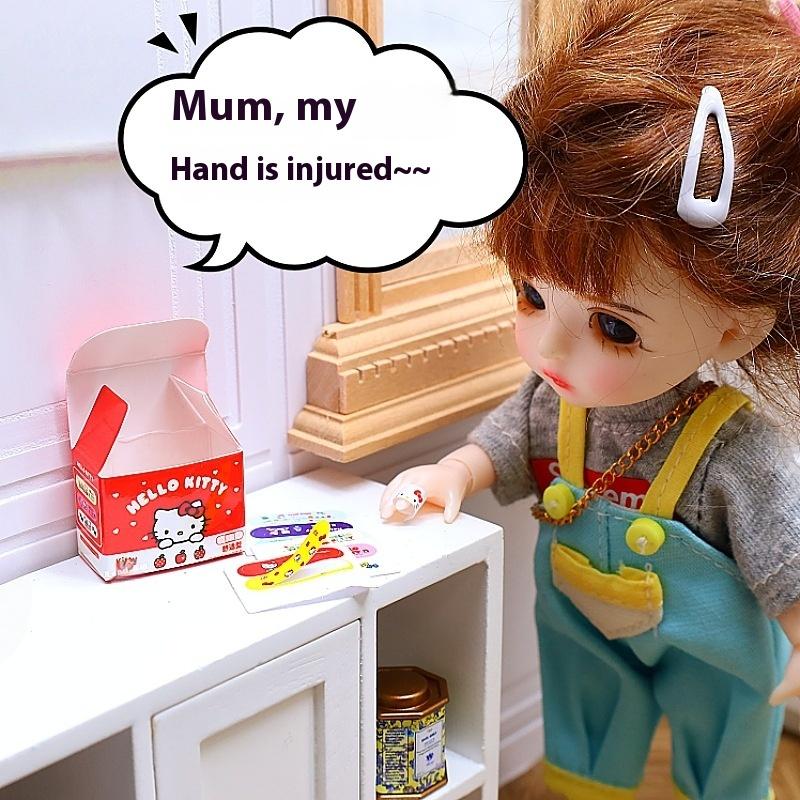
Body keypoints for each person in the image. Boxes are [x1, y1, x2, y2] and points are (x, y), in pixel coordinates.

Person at [379, 1, 800, 797]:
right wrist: (452, 474)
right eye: (531, 296)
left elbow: (784, 560)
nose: (549, 351)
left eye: (614, 327)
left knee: (726, 745)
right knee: (584, 734)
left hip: (716, 647)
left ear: (735, 327)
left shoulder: (737, 448)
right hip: (583, 629)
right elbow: (502, 444)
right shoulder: (552, 405)